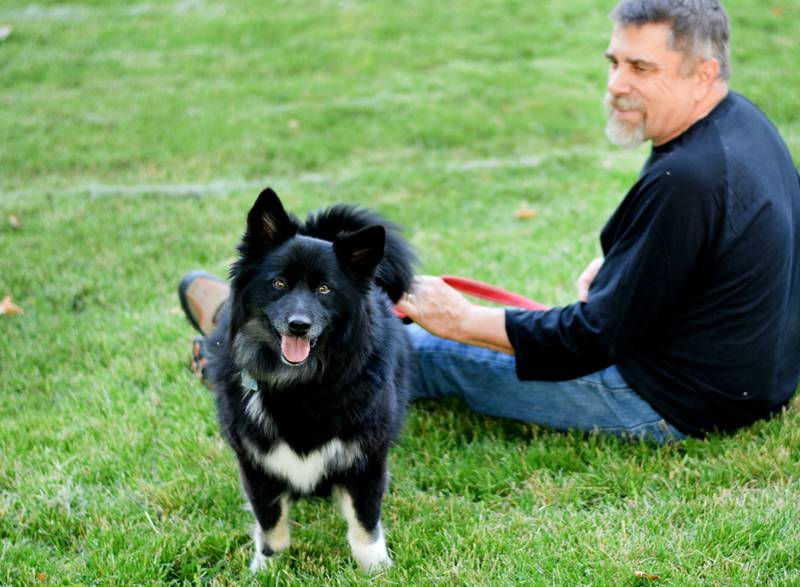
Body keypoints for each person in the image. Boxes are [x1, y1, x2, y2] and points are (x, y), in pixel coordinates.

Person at [181, 0, 800, 443]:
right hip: (758, 379)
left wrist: (466, 320)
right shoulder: (740, 126)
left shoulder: (686, 178)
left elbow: (588, 340)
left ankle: (235, 347)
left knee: (400, 349)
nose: (615, 85)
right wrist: (628, 263)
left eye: (641, 69)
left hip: (674, 400)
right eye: (614, 61)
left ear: (703, 73)